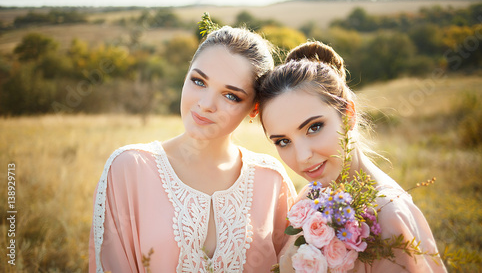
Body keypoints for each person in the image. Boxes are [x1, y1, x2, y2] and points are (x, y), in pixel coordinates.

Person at [89, 26, 296, 273]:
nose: (206, 104)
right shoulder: (129, 168)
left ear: (253, 109)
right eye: (198, 81)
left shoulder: (271, 180)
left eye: (231, 96)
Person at [257, 41, 447, 272]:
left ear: (348, 114)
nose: (303, 157)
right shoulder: (310, 198)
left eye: (314, 127)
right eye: (283, 141)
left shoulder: (387, 215)